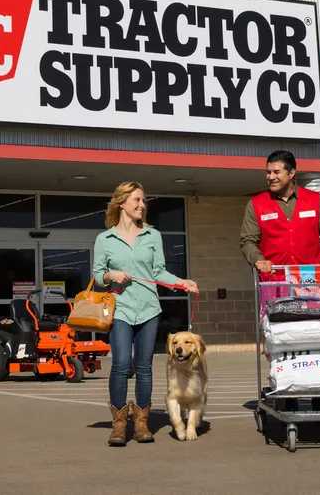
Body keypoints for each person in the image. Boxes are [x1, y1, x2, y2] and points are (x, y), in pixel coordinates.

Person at [93, 181, 198, 447]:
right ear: (121, 203)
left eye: (143, 201)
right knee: (119, 366)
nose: (142, 205)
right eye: (137, 200)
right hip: (120, 309)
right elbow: (95, 277)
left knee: (144, 368)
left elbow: (158, 272)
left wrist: (181, 281)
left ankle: (141, 423)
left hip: (149, 309)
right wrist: (110, 275)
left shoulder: (152, 236)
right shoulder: (105, 239)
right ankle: (119, 426)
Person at [239, 150, 320, 411]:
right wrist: (257, 259)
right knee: (281, 339)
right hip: (275, 282)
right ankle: (286, 392)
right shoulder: (257, 204)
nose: (270, 177)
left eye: (276, 172)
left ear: (291, 173)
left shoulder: (315, 201)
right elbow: (247, 241)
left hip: (313, 283)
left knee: (315, 336)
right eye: (268, 172)